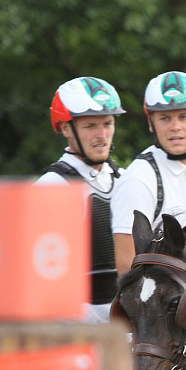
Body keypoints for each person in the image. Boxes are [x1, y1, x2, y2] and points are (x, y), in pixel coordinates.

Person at [111, 71, 186, 273]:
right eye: (165, 118)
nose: (175, 127)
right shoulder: (139, 177)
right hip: (166, 293)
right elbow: (125, 263)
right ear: (151, 122)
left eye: (184, 117)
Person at [36, 76, 126, 322]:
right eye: (90, 126)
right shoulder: (51, 187)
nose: (102, 134)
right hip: (73, 325)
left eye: (108, 123)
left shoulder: (126, 180)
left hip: (127, 320)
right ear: (66, 128)